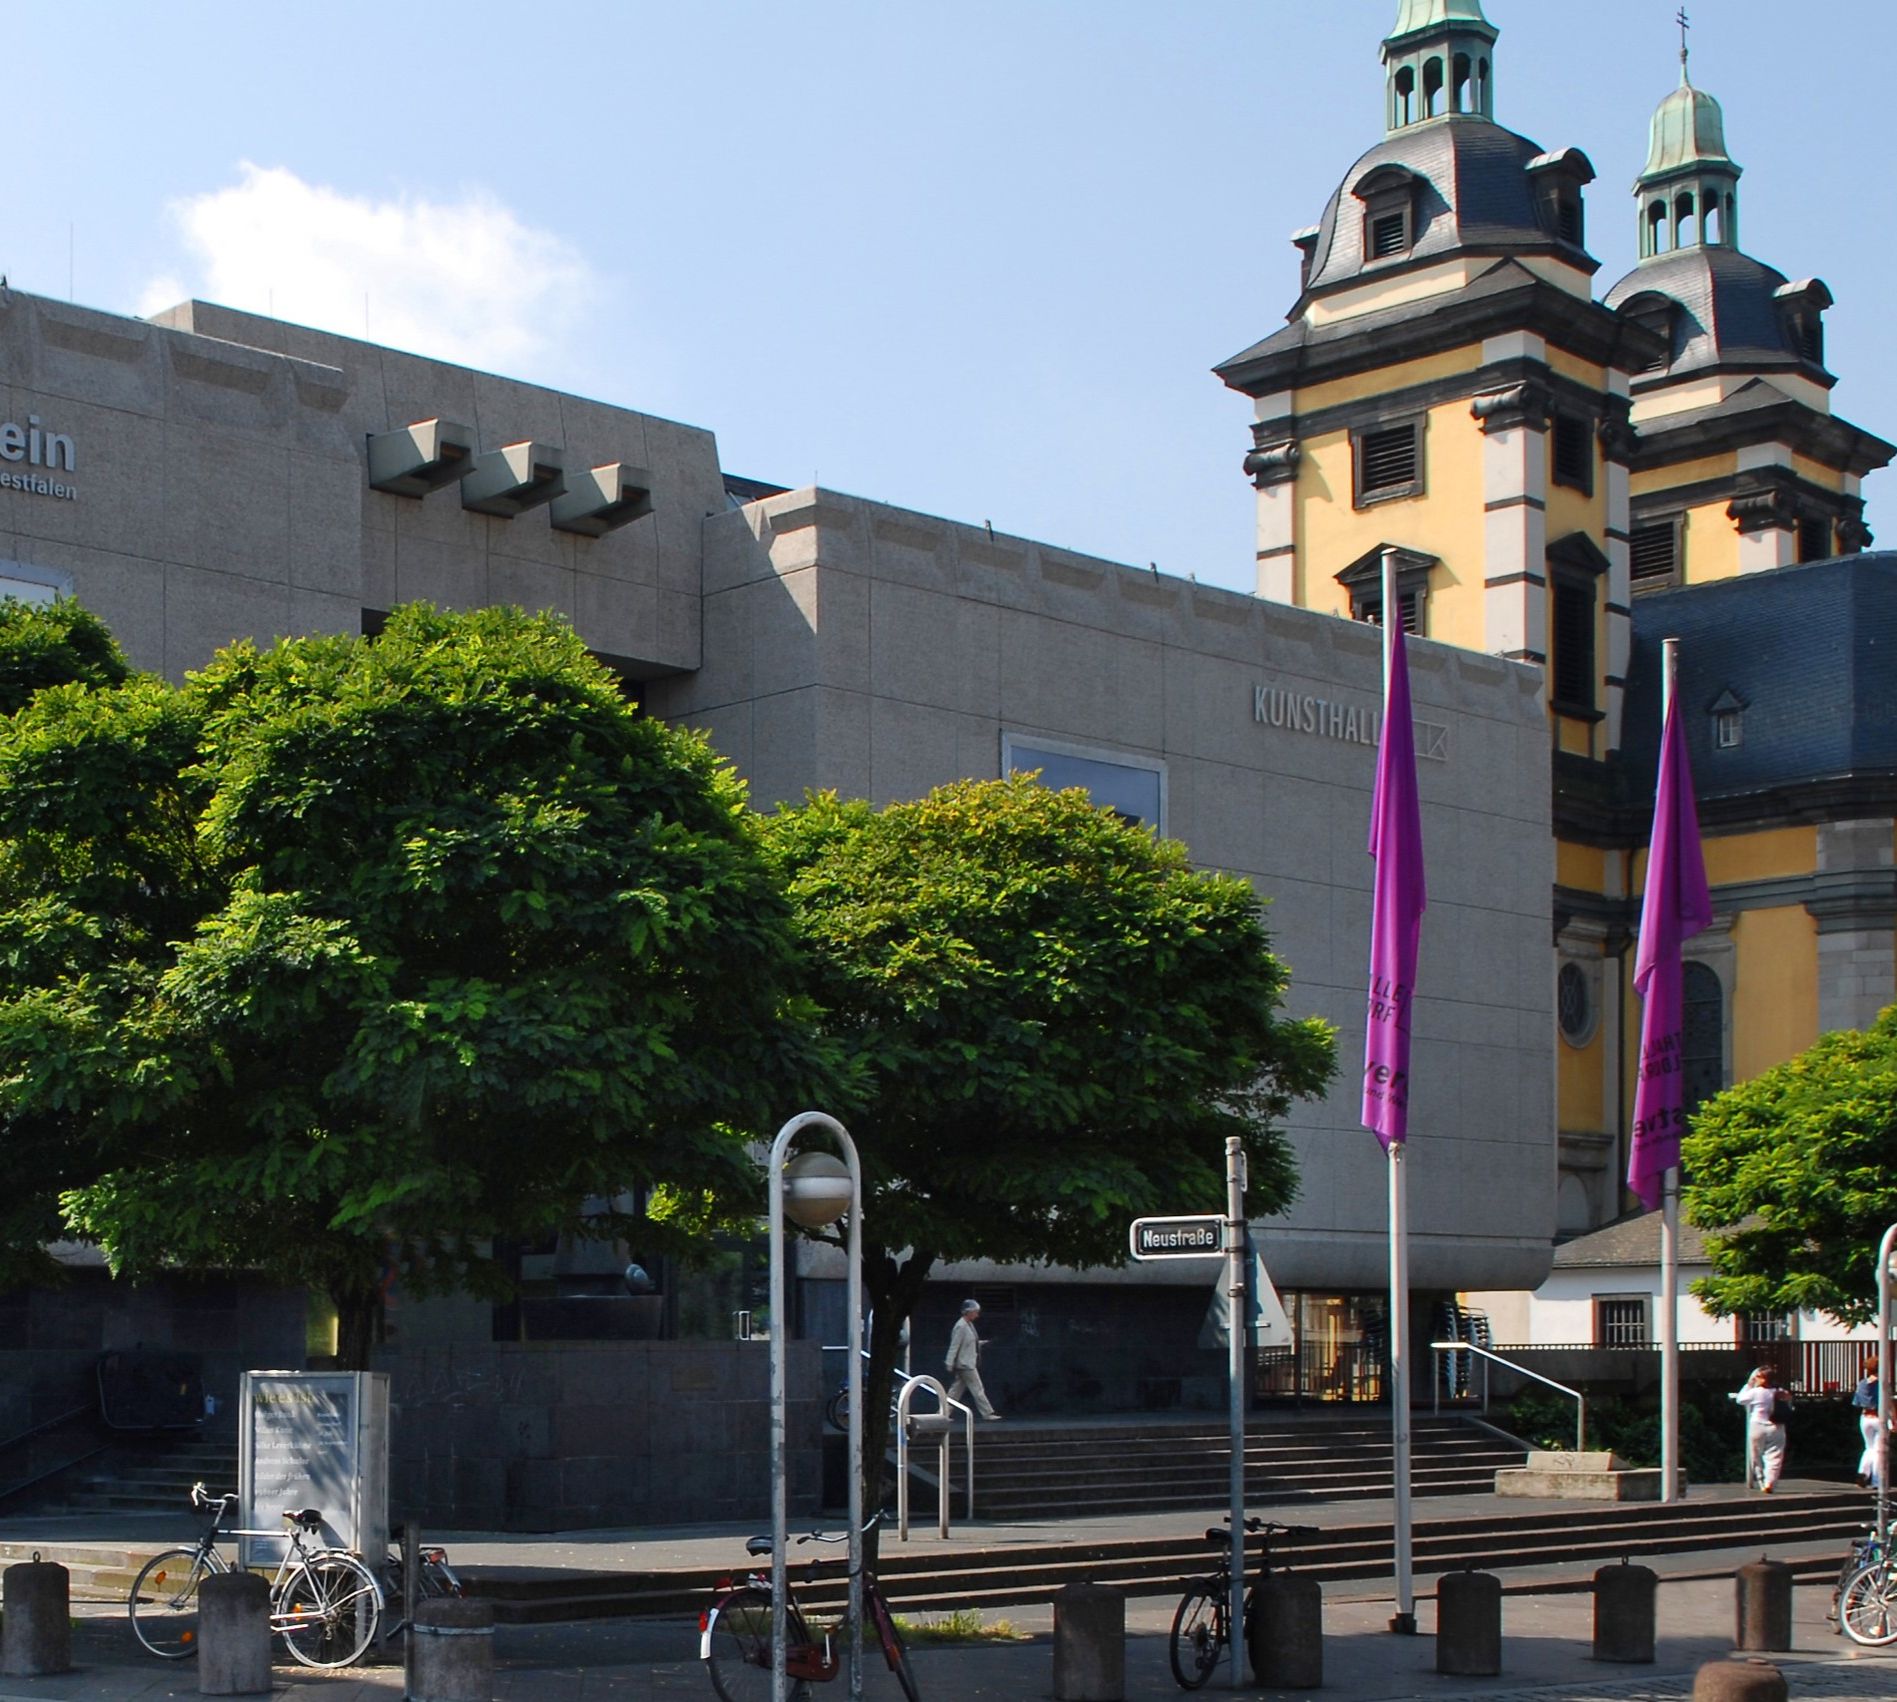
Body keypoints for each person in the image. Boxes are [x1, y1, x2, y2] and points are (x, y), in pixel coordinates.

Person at [1731, 1365, 1789, 1493]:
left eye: (1758, 1377)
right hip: (1776, 1426)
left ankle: (1761, 1480)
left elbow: (1740, 1400)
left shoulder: (1755, 1392)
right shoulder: (1779, 1391)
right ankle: (1770, 1483)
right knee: (1775, 1456)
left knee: (1756, 1455)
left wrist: (1748, 1385)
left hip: (1757, 1425)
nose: (1755, 1379)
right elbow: (1788, 1399)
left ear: (1763, 1379)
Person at [945, 1299, 1001, 1420]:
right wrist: (949, 1362)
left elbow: (968, 1342)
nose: (977, 1315)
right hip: (966, 1364)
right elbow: (955, 1345)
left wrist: (980, 1343)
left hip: (966, 1363)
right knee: (977, 1388)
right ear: (968, 1312)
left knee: (955, 1391)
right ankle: (987, 1413)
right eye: (975, 1312)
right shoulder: (961, 1326)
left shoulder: (968, 1325)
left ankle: (943, 1413)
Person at [1854, 1358, 1882, 1489]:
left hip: (1865, 1417)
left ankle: (1863, 1473)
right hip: (1878, 1417)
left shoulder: (1861, 1383)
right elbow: (1887, 1402)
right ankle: (1877, 1480)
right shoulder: (1881, 1383)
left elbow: (1857, 1402)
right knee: (1879, 1450)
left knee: (1869, 1447)